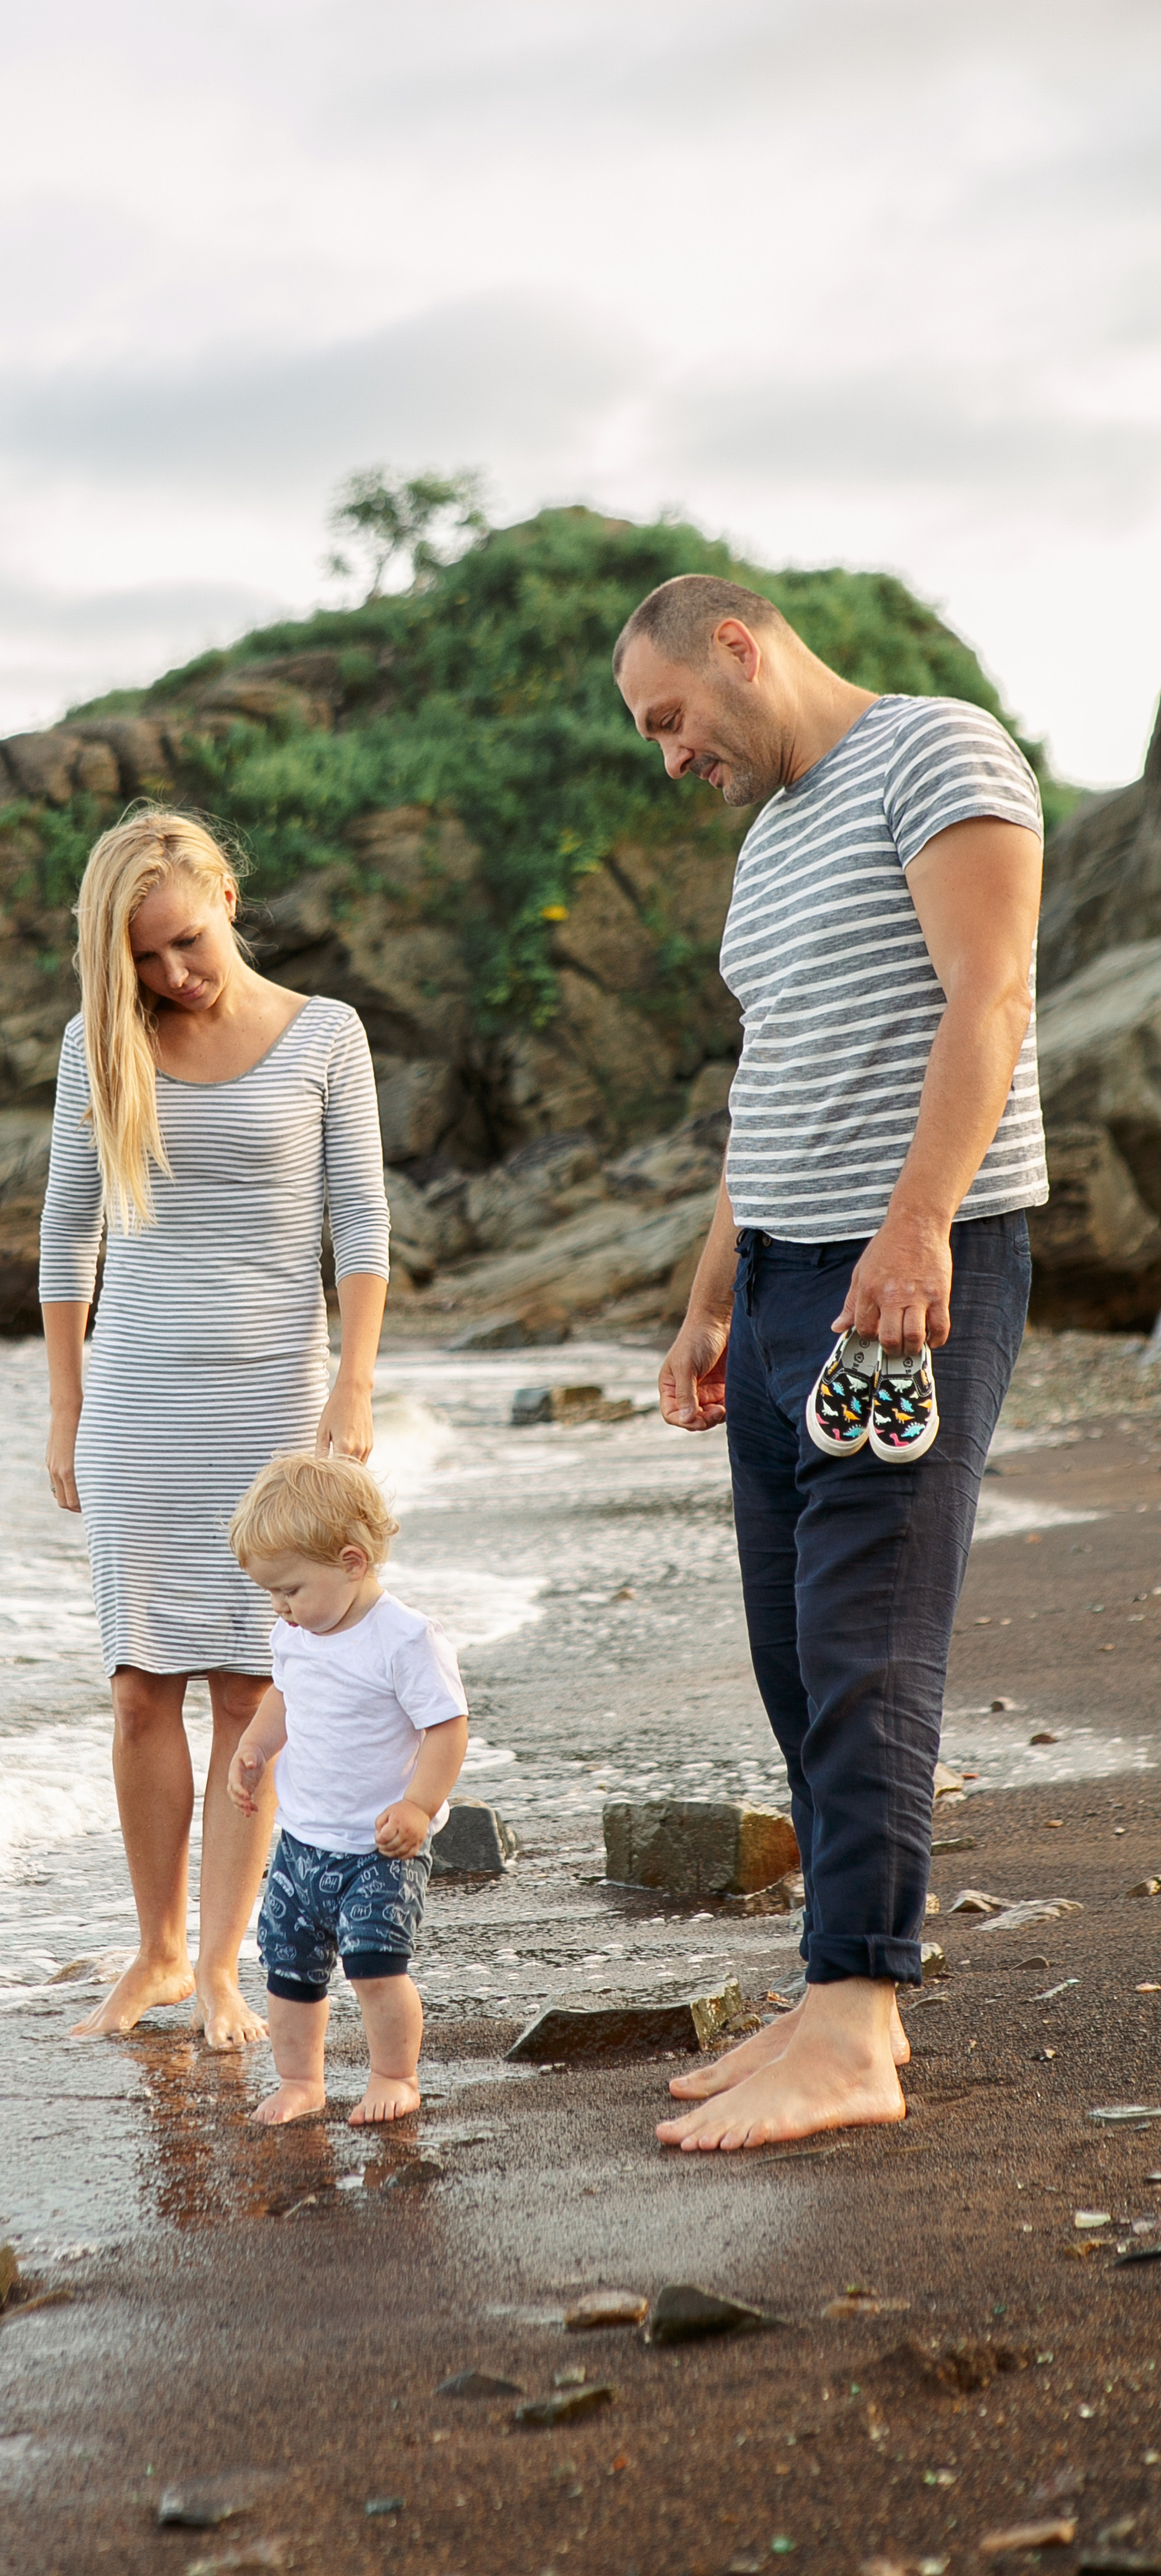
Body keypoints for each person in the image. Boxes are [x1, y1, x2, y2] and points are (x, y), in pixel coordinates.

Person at [614, 574, 1046, 2152]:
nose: (668, 754)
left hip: (910, 1271)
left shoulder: (939, 753)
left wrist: (914, 1227)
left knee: (865, 1627)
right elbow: (772, 1081)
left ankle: (858, 2023)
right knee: (791, 1647)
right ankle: (825, 1980)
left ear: (735, 643)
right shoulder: (768, 843)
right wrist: (708, 1297)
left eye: (668, 717)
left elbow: (984, 998)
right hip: (791, 1276)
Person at [40, 810, 391, 2048]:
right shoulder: (102, 1044)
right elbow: (65, 1232)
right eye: (142, 958)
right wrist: (67, 1408)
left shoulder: (327, 1036)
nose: (171, 975)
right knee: (141, 1686)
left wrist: (352, 1384)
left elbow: (361, 1220)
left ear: (225, 899)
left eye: (184, 941)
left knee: (252, 1688)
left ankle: (229, 1968)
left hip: (269, 1401)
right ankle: (157, 1956)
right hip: (138, 1397)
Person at [225, 1452, 469, 2126]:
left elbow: (447, 1728)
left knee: (374, 1967)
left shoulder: (405, 1640)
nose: (280, 1607)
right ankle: (301, 2080)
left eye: (292, 1589)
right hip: (301, 1842)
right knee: (288, 1971)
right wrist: (254, 1744)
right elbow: (285, 1694)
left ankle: (395, 2074)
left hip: (379, 1847)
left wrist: (418, 1806)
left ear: (353, 1561)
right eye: (270, 1593)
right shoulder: (295, 1634)